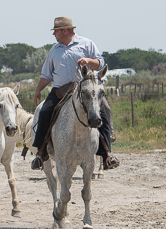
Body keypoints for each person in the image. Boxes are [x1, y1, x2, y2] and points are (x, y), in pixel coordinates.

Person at [30, 17, 118, 171]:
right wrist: (38, 89)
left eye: (55, 31)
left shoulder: (86, 43)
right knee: (44, 111)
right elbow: (46, 75)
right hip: (60, 90)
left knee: (103, 110)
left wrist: (87, 61)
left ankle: (107, 154)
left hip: (85, 89)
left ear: (65, 30)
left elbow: (100, 63)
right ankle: (41, 152)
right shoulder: (54, 50)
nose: (54, 34)